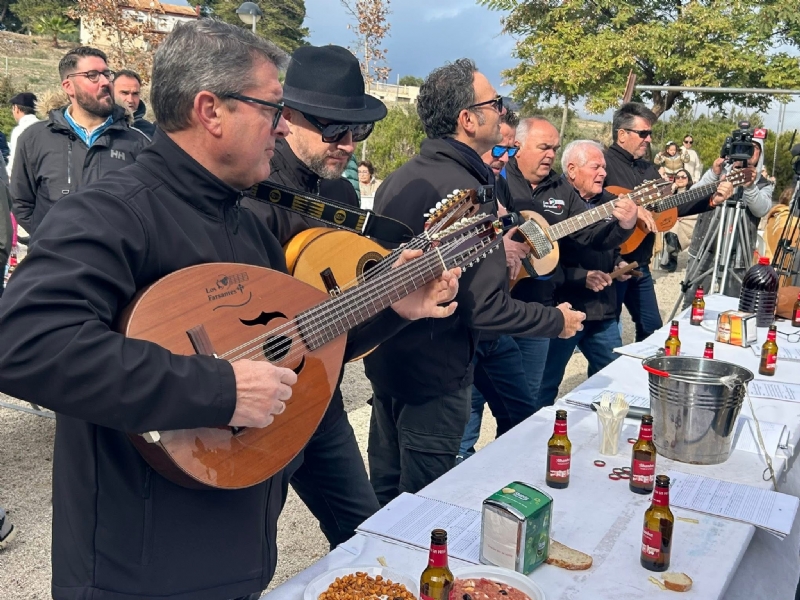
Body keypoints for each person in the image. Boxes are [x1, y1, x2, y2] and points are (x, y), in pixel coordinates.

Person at [0, 20, 460, 600]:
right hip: (137, 576)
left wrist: (393, 305)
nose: (281, 125)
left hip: (237, 558)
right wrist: (219, 389)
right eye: (272, 108)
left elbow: (295, 353)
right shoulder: (111, 213)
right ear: (210, 110)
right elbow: (23, 344)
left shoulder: (247, 227)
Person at [365, 59, 586, 506]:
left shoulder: (402, 178)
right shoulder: (471, 190)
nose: (503, 113)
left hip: (389, 368)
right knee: (421, 511)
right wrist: (555, 320)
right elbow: (483, 307)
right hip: (435, 375)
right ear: (468, 119)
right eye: (495, 104)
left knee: (383, 505)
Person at [242, 43, 394, 550]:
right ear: (285, 116)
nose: (348, 144)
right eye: (333, 129)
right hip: (255, 408)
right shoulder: (249, 195)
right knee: (248, 548)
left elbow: (346, 333)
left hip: (321, 398)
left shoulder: (343, 197)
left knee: (365, 535)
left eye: (359, 131)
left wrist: (400, 302)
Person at [504, 119, 638, 407]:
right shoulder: (498, 179)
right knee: (473, 407)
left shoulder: (559, 188)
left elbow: (592, 235)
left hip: (539, 309)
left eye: (554, 148)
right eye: (543, 147)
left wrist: (625, 225)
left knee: (527, 402)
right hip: (496, 306)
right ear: (518, 146)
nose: (551, 155)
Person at [604, 103, 731, 342]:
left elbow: (670, 205)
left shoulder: (647, 169)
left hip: (638, 264)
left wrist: (711, 199)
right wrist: (631, 207)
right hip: (609, 263)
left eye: (649, 133)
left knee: (652, 329)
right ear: (622, 134)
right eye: (643, 133)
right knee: (607, 335)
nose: (649, 139)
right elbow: (588, 200)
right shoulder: (602, 164)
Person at [457, 108, 535, 463]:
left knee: (522, 418)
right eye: (498, 150)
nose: (504, 159)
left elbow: (523, 236)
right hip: (459, 330)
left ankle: (503, 483)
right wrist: (492, 249)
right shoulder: (451, 181)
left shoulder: (497, 181)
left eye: (511, 151)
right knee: (461, 434)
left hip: (495, 326)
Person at [11, 47, 150, 240]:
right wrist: (51, 238)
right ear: (68, 86)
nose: (105, 82)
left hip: (116, 263)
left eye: (106, 74)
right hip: (54, 262)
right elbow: (22, 203)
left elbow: (149, 208)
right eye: (92, 75)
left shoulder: (138, 143)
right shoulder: (34, 138)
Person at [682, 131, 772, 302]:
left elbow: (761, 209)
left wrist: (749, 186)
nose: (745, 152)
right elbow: (691, 197)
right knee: (692, 301)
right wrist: (713, 175)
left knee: (733, 304)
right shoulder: (720, 174)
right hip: (705, 247)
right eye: (740, 147)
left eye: (752, 148)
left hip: (738, 254)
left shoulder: (763, 184)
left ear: (760, 153)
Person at [658, 168, 695, 272]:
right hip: (674, 222)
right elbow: (662, 203)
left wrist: (684, 215)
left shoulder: (693, 191)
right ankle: (673, 247)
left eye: (683, 177)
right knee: (671, 224)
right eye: (677, 177)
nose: (680, 179)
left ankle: (672, 256)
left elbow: (697, 209)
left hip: (689, 221)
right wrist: (673, 187)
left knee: (672, 226)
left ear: (689, 179)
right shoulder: (672, 193)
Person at [113, 68, 156, 137]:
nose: (130, 100)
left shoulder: (149, 132)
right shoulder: (99, 126)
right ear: (111, 93)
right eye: (124, 93)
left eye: (135, 94)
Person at [7, 92, 39, 178]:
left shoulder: (19, 130)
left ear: (16, 108)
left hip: (25, 179)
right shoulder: (44, 127)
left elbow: (15, 160)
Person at [763, 187, 798, 260]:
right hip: (779, 267)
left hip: (765, 263)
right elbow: (790, 256)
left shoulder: (774, 216)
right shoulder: (793, 221)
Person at [482, 110, 519, 177]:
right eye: (499, 149)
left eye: (510, 151)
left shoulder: (502, 185)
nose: (505, 159)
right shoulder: (458, 182)